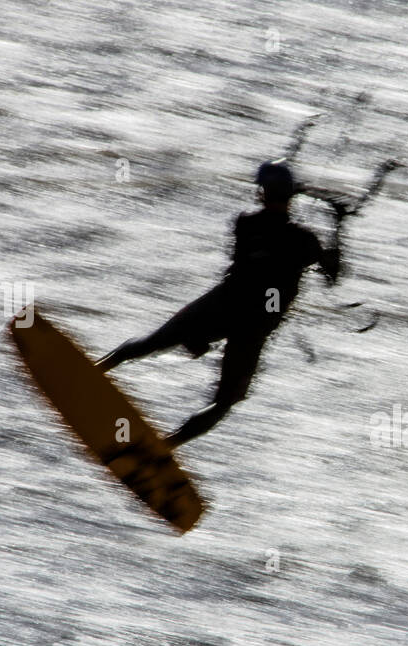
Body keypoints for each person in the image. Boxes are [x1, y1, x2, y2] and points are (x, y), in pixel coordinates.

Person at [98, 160, 344, 447]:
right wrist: (339, 226)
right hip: (254, 326)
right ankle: (165, 447)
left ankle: (96, 369)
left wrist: (200, 337)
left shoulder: (246, 223)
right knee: (224, 403)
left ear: (262, 192)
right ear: (289, 195)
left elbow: (270, 241)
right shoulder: (304, 241)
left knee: (151, 343)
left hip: (221, 307)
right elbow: (332, 276)